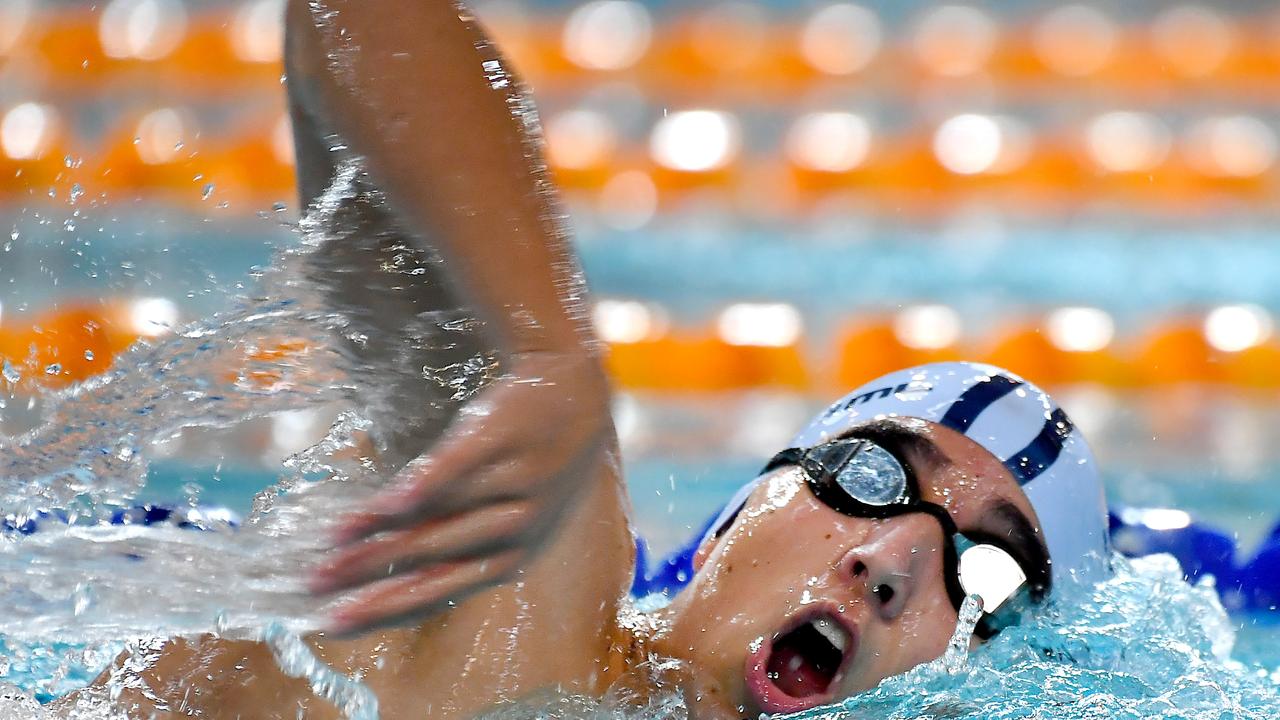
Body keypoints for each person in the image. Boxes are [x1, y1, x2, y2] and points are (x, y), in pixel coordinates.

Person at [51, 1, 1110, 718]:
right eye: (872, 477)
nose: (892, 562)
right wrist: (544, 352)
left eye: (987, 569)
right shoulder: (528, 593)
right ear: (739, 511)